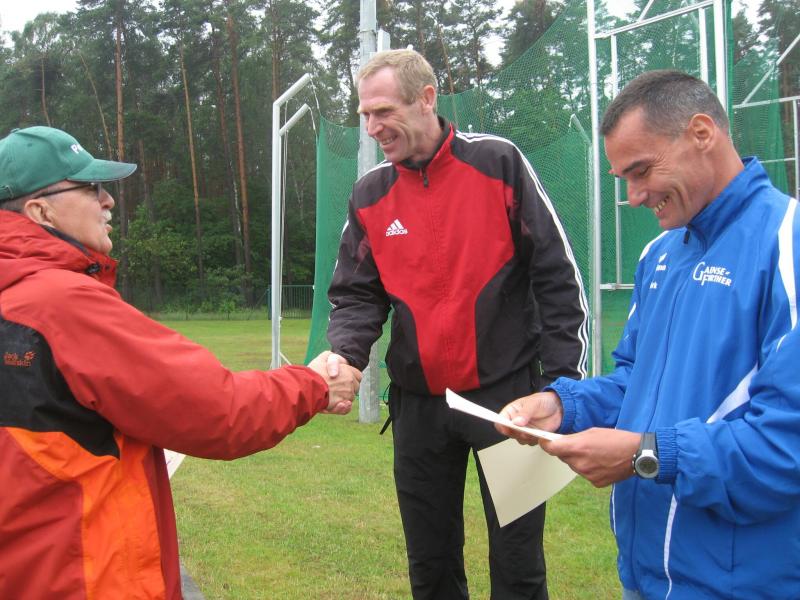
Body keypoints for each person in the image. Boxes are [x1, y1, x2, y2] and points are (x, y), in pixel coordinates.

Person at [0, 125, 362, 598]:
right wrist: (314, 384)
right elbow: (219, 410)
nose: (108, 200)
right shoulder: (61, 304)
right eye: (90, 188)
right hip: (86, 578)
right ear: (39, 211)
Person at [497, 70, 800, 600]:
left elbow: (786, 445)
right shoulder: (660, 254)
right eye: (623, 178)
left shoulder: (787, 244)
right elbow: (635, 382)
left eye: (641, 171)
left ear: (701, 133)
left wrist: (647, 454)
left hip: (745, 584)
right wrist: (563, 405)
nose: (634, 197)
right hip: (643, 578)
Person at [326, 49, 589, 600]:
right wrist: (346, 357)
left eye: (383, 111)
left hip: (509, 398)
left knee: (519, 566)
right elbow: (355, 294)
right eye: (365, 115)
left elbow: (557, 277)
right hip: (419, 406)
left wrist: (563, 387)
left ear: (426, 99)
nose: (372, 128)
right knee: (431, 566)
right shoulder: (370, 194)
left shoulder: (499, 162)